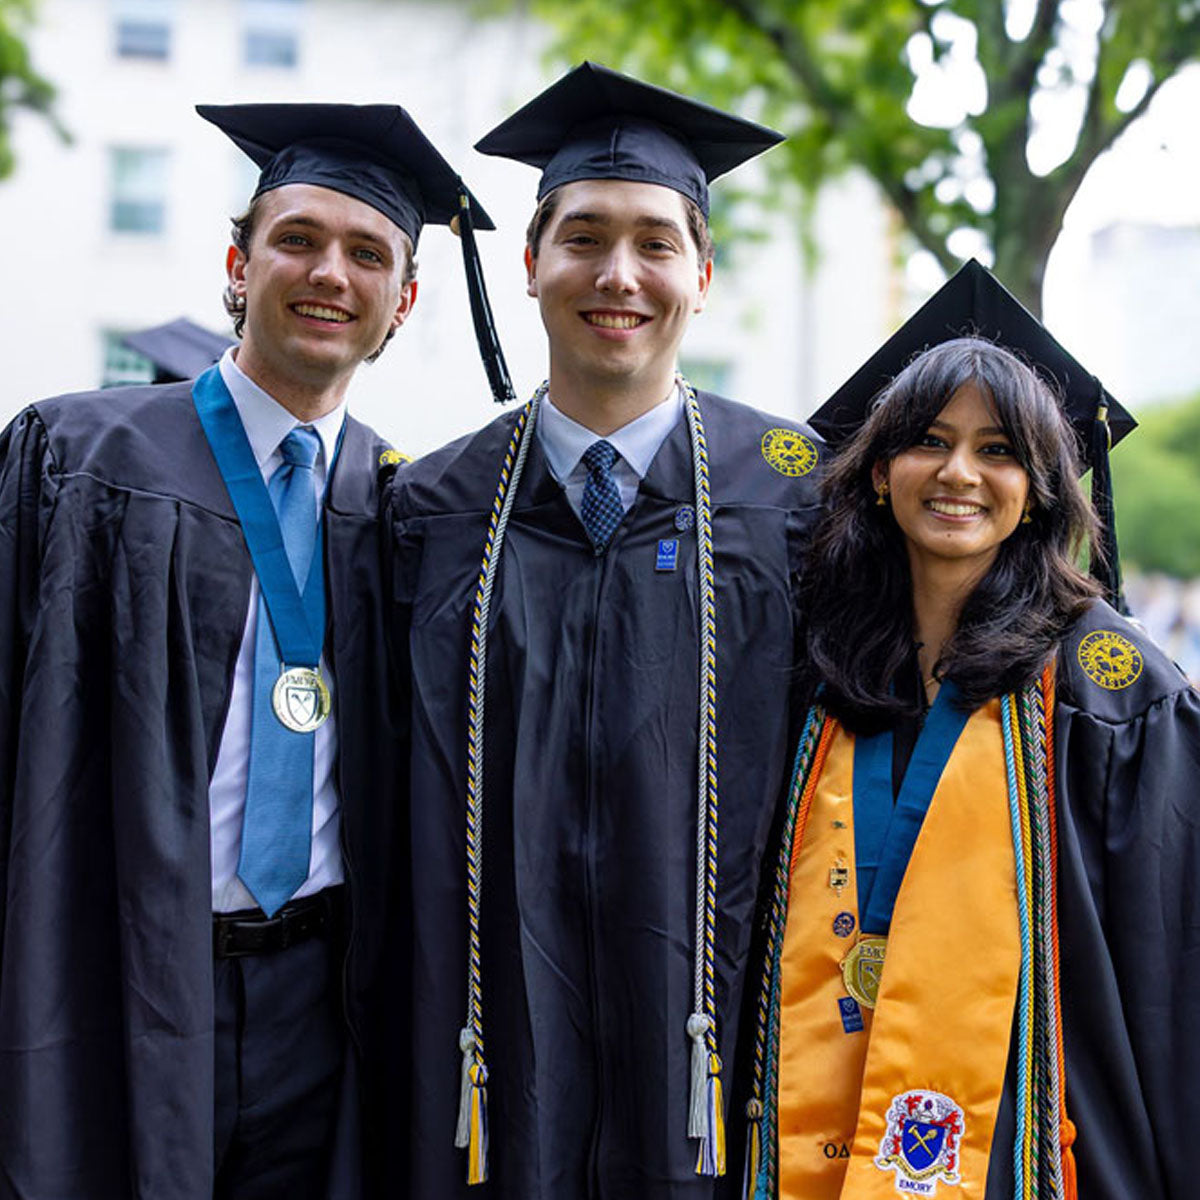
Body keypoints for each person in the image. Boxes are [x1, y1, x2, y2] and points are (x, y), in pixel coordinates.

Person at [0, 102, 503, 1198]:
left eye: (368, 254)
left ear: (403, 301)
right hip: (117, 970)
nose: (331, 272)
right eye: (298, 240)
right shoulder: (79, 460)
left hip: (321, 1000)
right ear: (239, 263)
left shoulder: (404, 503)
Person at [381, 61, 823, 1198]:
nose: (617, 274)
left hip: (715, 1048)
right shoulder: (428, 509)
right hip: (485, 1058)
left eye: (655, 243)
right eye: (582, 238)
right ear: (531, 266)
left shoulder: (799, 502)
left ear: (704, 275)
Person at [743, 261, 1200, 1199]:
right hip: (814, 1096)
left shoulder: (1106, 686)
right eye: (929, 442)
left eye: (998, 450)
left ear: (1038, 489)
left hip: (1021, 1121)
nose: (959, 473)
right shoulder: (819, 666)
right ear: (879, 472)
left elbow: (1170, 959)